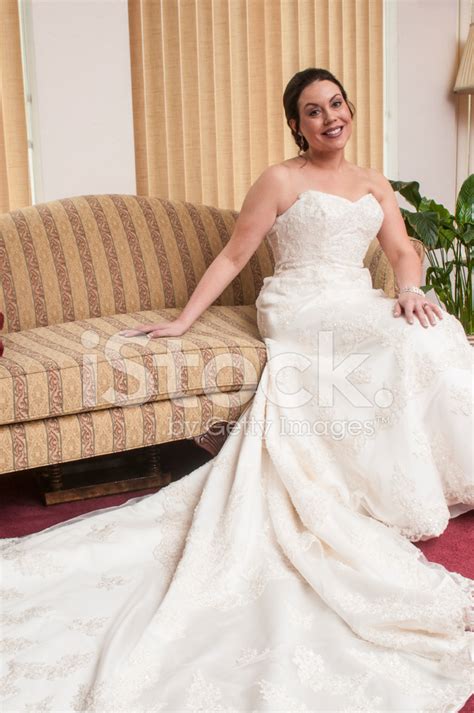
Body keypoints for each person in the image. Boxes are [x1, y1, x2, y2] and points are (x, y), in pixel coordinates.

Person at [1, 67, 473, 712]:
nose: (330, 117)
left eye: (337, 104)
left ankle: (442, 477)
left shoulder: (372, 183)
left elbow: (401, 253)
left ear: (349, 109)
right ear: (296, 124)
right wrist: (181, 322)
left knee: (434, 328)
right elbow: (232, 255)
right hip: (301, 305)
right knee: (395, 340)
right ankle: (389, 489)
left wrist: (412, 288)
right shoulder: (280, 180)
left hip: (353, 298)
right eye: (313, 111)